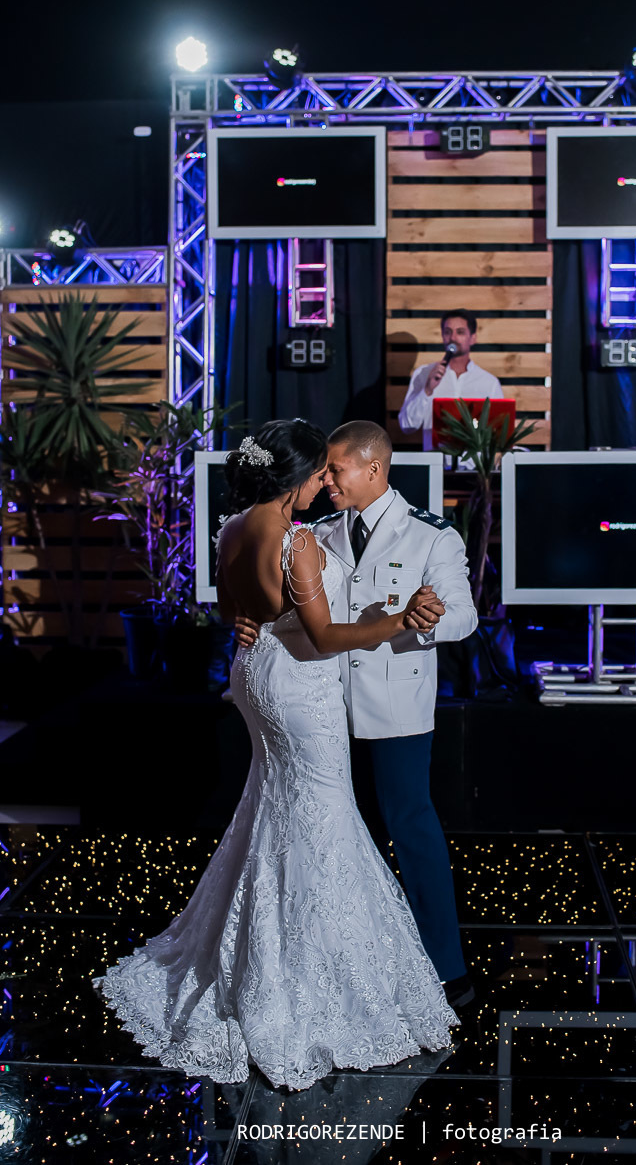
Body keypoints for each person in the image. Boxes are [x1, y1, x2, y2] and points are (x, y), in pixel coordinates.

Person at [92, 418, 458, 1091]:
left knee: (274, 807)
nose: (327, 480)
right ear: (294, 478)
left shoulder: (233, 527)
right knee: (320, 818)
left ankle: (261, 946)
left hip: (252, 672)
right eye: (320, 472)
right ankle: (302, 977)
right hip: (300, 686)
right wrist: (398, 622)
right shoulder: (298, 543)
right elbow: (320, 638)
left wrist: (250, 618)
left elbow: (237, 607)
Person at [236, 420, 478, 1008]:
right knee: (344, 843)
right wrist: (250, 621)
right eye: (322, 473)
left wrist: (427, 619)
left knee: (410, 830)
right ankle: (364, 966)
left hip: (394, 710)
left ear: (373, 468)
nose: (327, 482)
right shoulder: (314, 531)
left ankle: (447, 967)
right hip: (321, 707)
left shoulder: (431, 536)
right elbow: (285, 604)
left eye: (335, 471)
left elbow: (465, 617)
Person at [398, 309, 504, 449]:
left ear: (473, 338)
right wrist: (427, 390)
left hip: (473, 467)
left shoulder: (489, 382)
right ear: (442, 336)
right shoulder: (424, 374)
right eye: (448, 332)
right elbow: (407, 425)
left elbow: (499, 432)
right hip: (435, 465)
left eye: (460, 332)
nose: (453, 338)